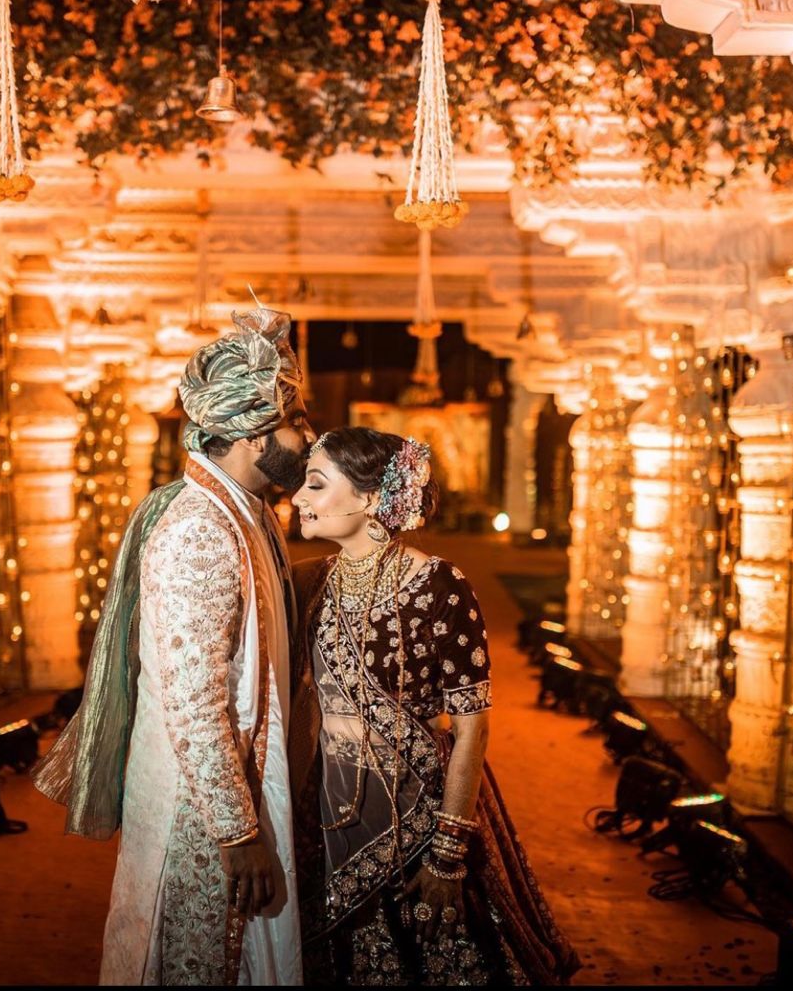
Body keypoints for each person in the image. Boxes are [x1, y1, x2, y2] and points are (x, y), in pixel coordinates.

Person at [32, 302, 316, 986]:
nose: (310, 435)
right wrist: (237, 834)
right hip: (203, 812)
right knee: (200, 962)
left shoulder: (243, 511)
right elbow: (194, 701)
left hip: (232, 791)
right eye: (297, 421)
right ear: (253, 435)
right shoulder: (198, 530)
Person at [290, 426, 580, 986]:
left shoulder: (441, 586)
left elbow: (471, 731)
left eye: (316, 484)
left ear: (371, 499)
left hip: (418, 808)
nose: (299, 497)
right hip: (326, 808)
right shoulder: (311, 583)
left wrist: (448, 853)